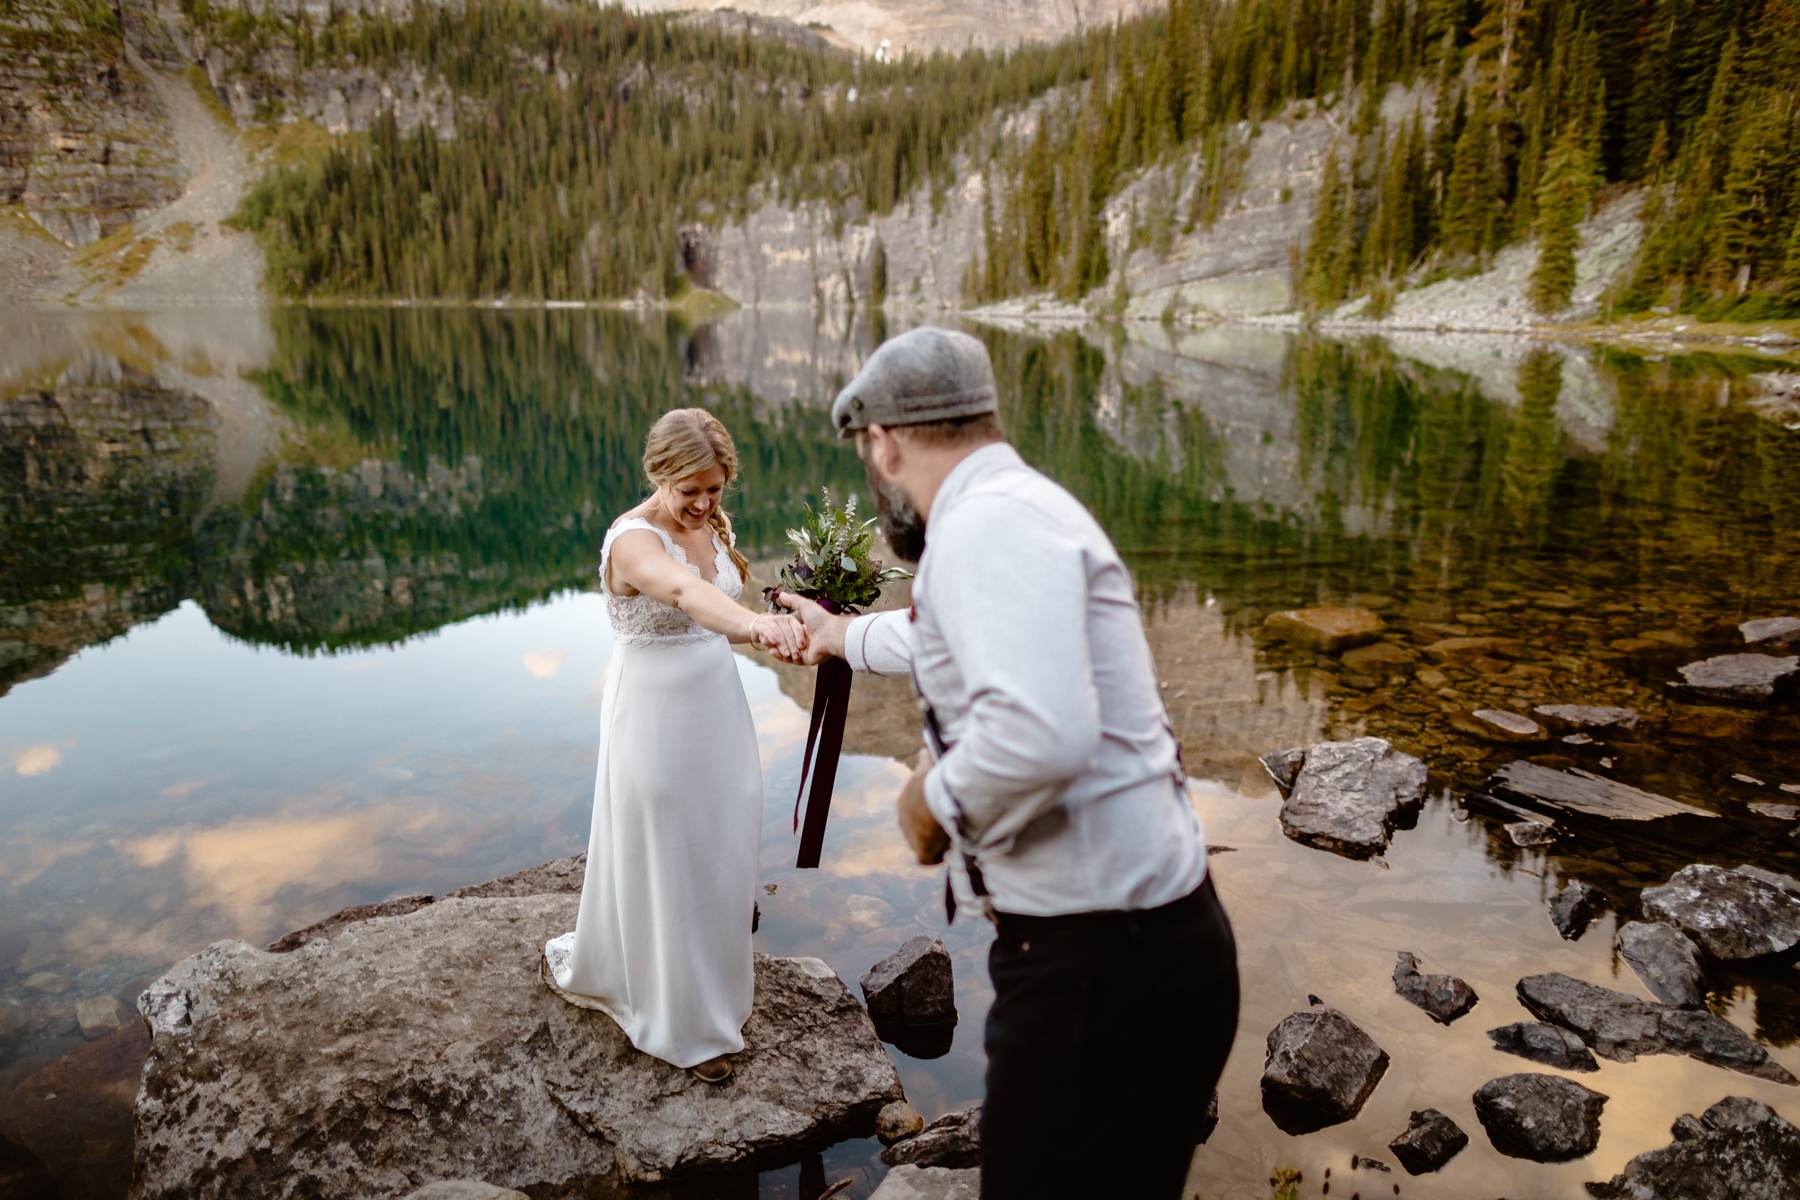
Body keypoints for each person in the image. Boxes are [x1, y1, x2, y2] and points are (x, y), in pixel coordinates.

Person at [776, 328, 1239, 1199]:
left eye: (868, 459)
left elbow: (1041, 735)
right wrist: (841, 635)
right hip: (1143, 949)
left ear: (884, 442)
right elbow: (944, 631)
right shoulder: (1016, 505)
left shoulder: (986, 525)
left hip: (1099, 968)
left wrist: (928, 802)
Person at [542, 408, 806, 1085]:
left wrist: (789, 619)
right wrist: (756, 628)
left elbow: (714, 590)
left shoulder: (713, 526)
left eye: (714, 490)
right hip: (655, 714)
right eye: (687, 489)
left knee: (724, 829)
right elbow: (687, 593)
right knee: (670, 843)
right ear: (657, 474)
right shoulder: (633, 541)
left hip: (716, 702)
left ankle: (714, 988)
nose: (701, 503)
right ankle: (679, 1021)